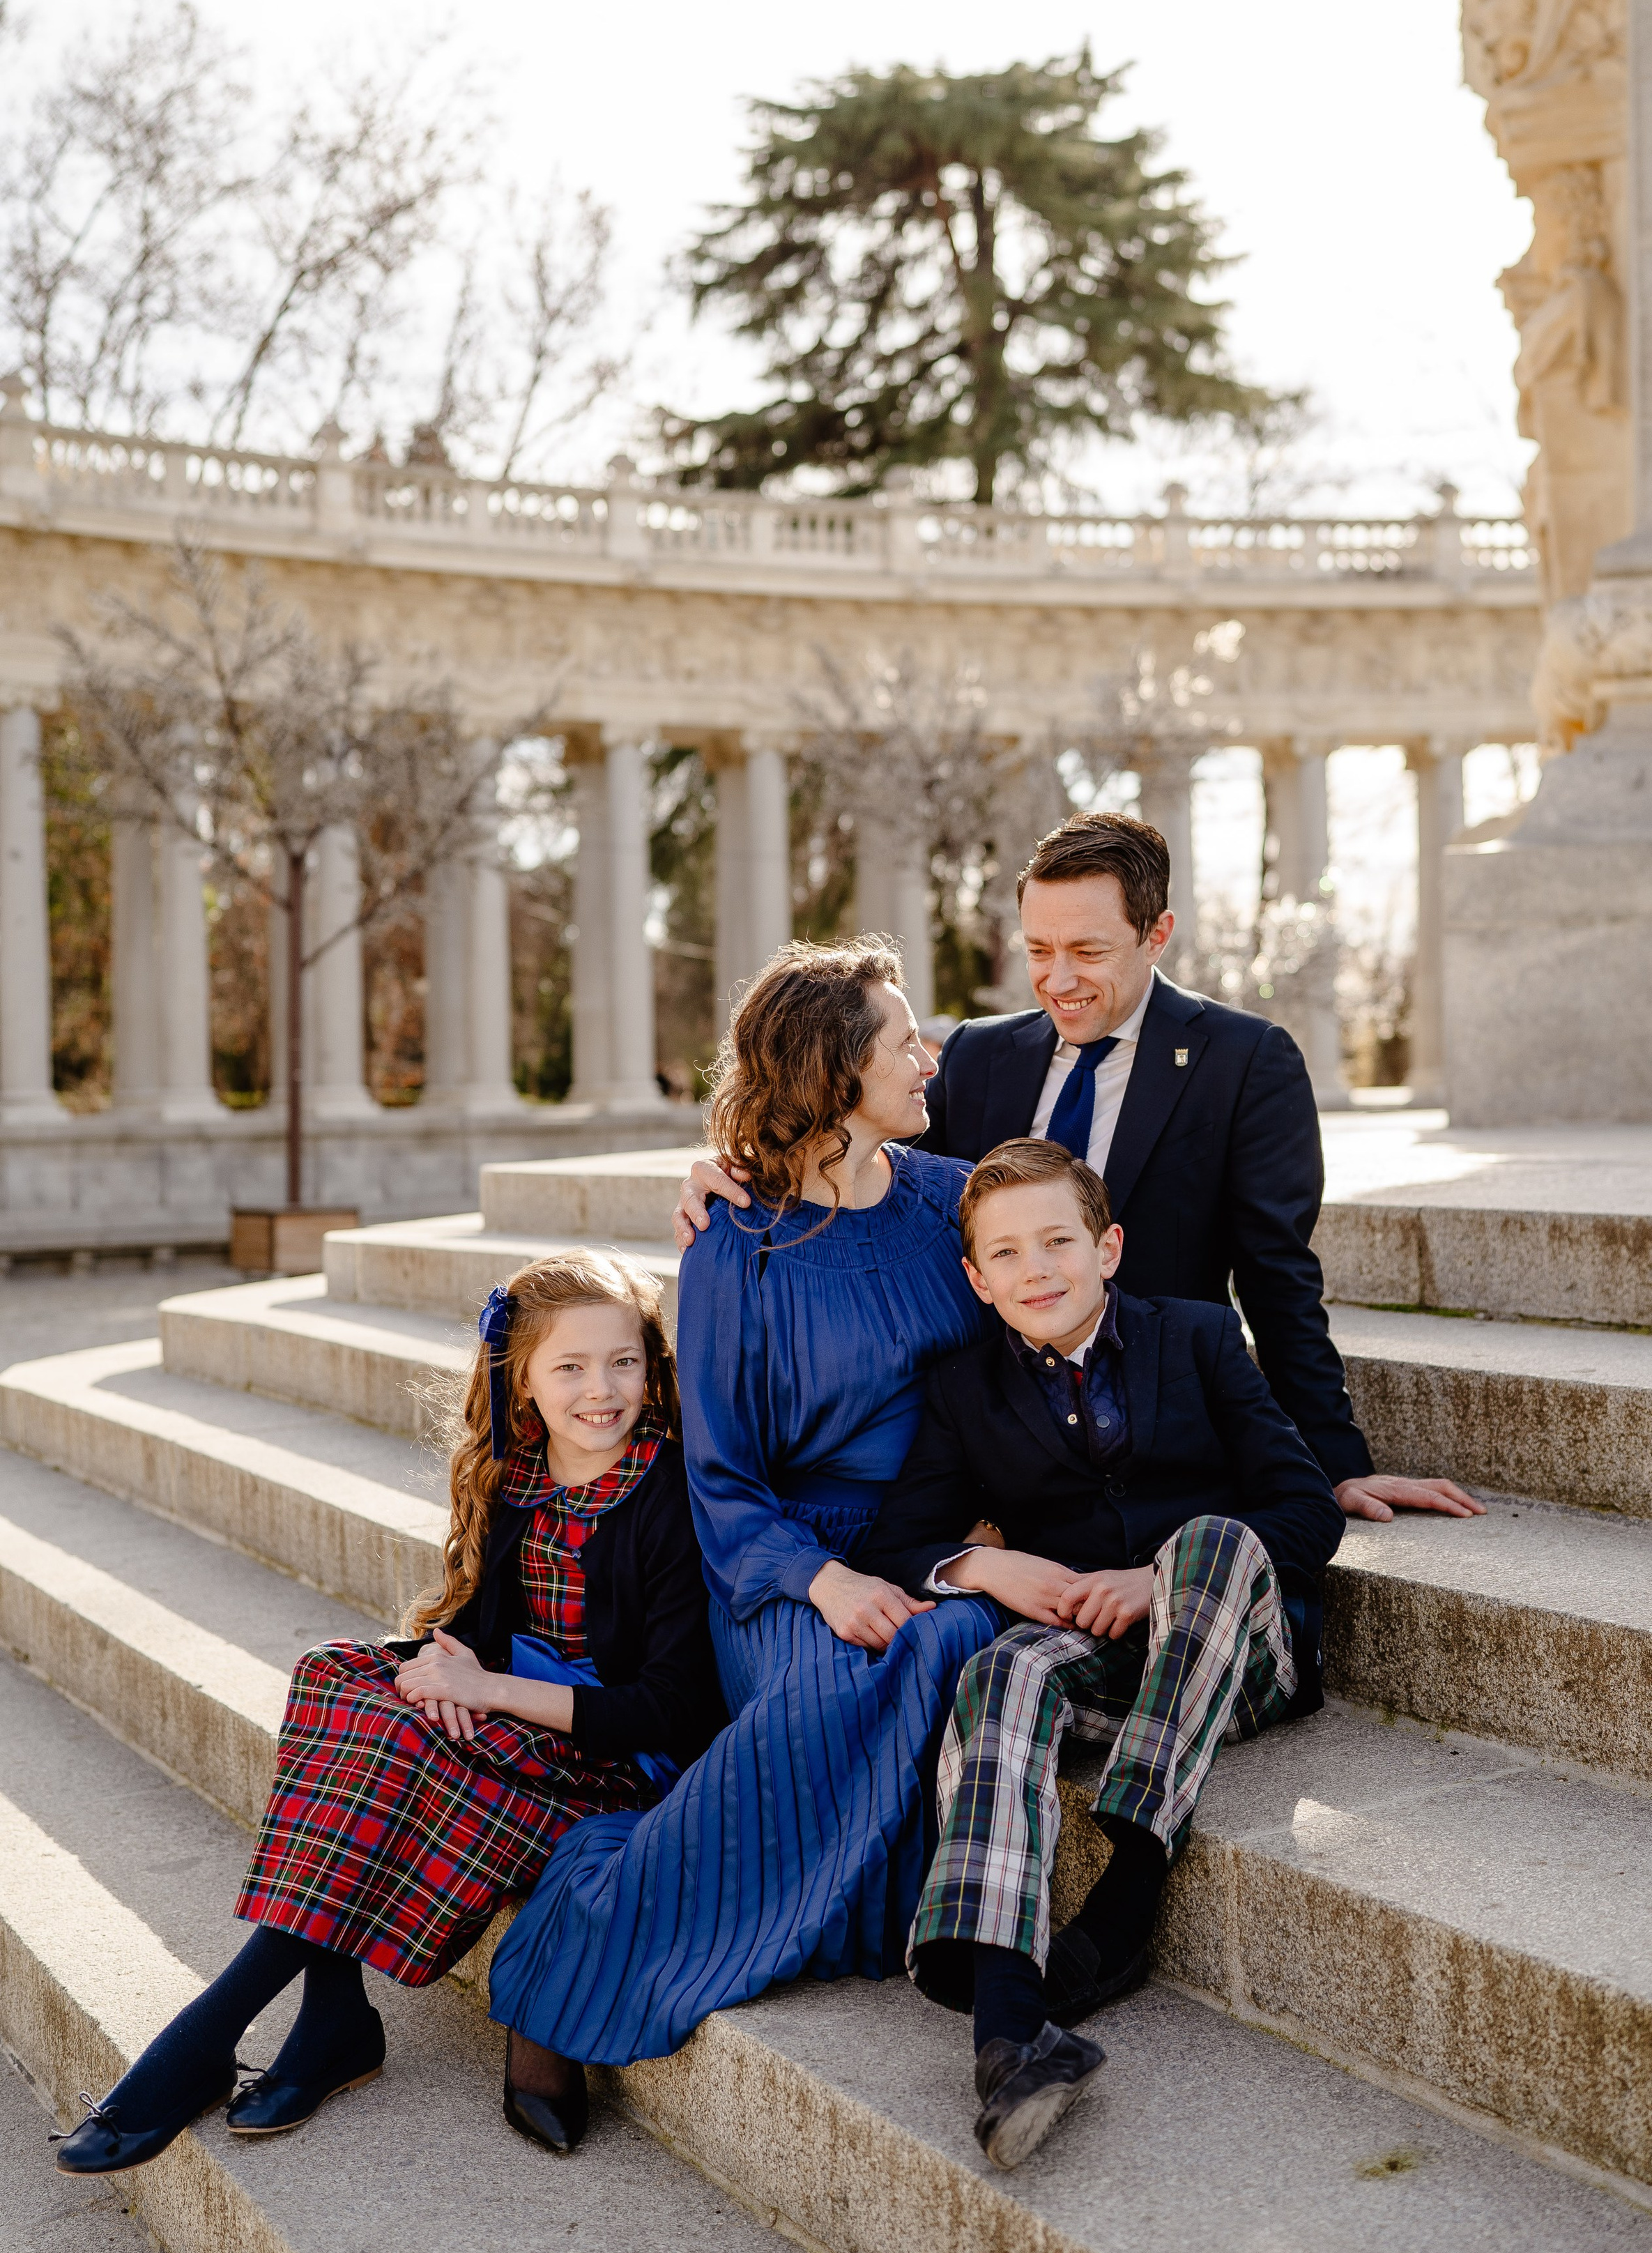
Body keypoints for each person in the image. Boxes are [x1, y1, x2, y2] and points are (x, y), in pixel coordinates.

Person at [53, 1253, 720, 2176]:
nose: (600, 1389)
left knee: (395, 1737)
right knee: (337, 1678)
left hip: (611, 1767)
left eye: (623, 1362)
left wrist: (482, 1692)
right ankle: (331, 2018)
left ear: (653, 1367)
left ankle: (210, 2036)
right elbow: (478, 1631)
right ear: (521, 1378)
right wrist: (446, 1666)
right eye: (569, 1366)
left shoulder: (670, 1497)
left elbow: (671, 1708)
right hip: (515, 1719)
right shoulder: (516, 1480)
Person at [676, 811, 1481, 1541]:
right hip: (998, 1444)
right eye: (1037, 950)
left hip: (1156, 1443)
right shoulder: (981, 1056)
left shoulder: (1244, 1063)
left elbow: (1278, 1278)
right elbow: (866, 1162)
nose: (1057, 978)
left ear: (1156, 934)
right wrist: (742, 1165)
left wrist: (1332, 1460)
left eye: (1088, 951)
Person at [486, 942, 1003, 2071]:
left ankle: (797, 1915)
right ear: (832, 1076)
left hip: (933, 1543)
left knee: (954, 1631)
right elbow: (717, 1477)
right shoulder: (735, 1244)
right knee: (824, 1685)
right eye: (903, 1043)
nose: (929, 1059)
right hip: (777, 1557)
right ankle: (577, 1952)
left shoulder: (957, 1202)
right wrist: (821, 1579)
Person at [853, 1136, 1345, 2169]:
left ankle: (1127, 1896)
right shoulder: (962, 1389)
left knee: (1209, 1539)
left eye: (1057, 1242)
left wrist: (1158, 1578)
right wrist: (991, 1570)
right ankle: (1006, 2030)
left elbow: (1304, 1506)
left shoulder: (1202, 1338)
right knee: (1001, 1668)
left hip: (1235, 1650)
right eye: (1007, 1255)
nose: (1037, 1270)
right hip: (1096, 1660)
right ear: (977, 1282)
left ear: (1108, 1246)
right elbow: (898, 1542)